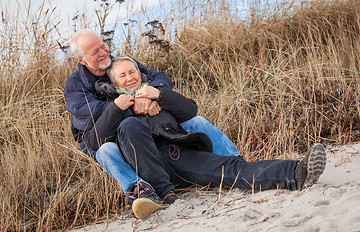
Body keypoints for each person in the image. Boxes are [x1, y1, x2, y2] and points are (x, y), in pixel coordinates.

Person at [86, 56, 327, 219]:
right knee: (129, 125)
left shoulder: (156, 94)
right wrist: (118, 108)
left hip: (178, 154)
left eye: (132, 72)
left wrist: (158, 94)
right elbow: (94, 144)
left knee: (229, 169)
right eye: (122, 76)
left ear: (140, 74)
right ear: (114, 83)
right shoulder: (111, 107)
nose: (129, 78)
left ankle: (296, 173)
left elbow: (190, 110)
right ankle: (164, 194)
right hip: (149, 170)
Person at [64, 29, 242, 218]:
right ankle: (139, 190)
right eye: (94, 52)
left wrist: (152, 95)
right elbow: (93, 112)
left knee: (194, 119)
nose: (103, 53)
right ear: (81, 60)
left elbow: (160, 78)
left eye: (103, 46)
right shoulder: (74, 86)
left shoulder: (119, 64)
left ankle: (234, 161)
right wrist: (134, 103)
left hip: (144, 126)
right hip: (107, 136)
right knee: (106, 151)